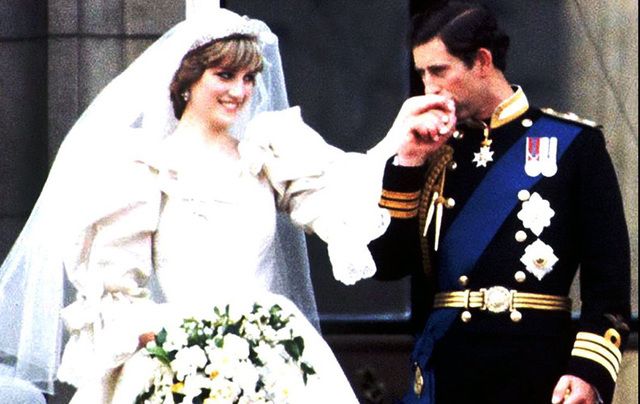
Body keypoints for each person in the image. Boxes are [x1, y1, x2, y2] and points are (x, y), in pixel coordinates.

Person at [0, 8, 406, 403]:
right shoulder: (145, 171)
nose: (239, 91)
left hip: (275, 359)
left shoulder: (268, 156)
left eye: (248, 78)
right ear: (186, 82)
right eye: (225, 75)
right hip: (182, 363)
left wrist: (397, 147)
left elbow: (342, 200)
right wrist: (186, 342)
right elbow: (116, 296)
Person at [369, 2, 631, 404]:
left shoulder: (574, 144)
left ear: (482, 61)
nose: (428, 88)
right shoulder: (431, 150)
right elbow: (386, 264)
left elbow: (608, 281)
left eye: (439, 71)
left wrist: (587, 371)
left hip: (536, 370)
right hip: (449, 369)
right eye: (422, 73)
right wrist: (407, 163)